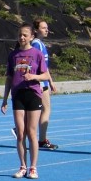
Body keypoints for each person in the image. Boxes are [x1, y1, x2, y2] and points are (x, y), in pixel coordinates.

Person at [1, 23, 50, 179]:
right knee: (20, 133)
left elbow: (45, 75)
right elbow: (9, 78)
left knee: (31, 132)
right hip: (17, 95)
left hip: (33, 94)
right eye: (20, 35)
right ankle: (22, 166)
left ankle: (33, 167)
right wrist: (4, 100)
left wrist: (33, 77)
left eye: (25, 35)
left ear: (31, 37)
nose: (22, 37)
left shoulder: (37, 54)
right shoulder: (13, 55)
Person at [32, 18, 58, 150]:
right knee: (45, 110)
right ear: (36, 30)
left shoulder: (41, 44)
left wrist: (51, 81)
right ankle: (41, 140)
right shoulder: (37, 44)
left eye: (47, 27)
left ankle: (41, 139)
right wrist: (41, 81)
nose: (46, 30)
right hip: (40, 82)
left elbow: (44, 66)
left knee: (41, 110)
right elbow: (36, 65)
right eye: (43, 28)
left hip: (44, 80)